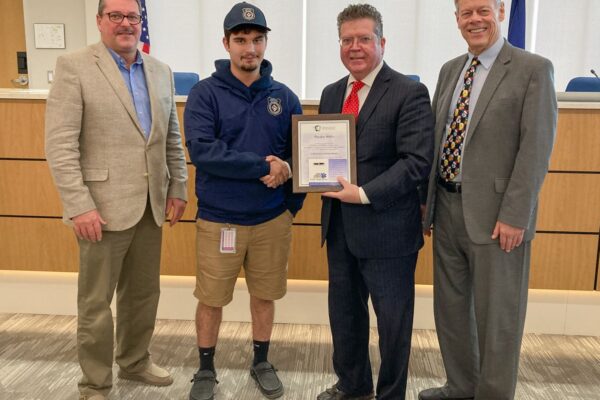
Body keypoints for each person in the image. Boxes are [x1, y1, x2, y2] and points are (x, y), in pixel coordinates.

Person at [44, 0, 188, 399]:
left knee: (143, 293)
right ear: (100, 21)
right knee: (95, 302)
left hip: (151, 204)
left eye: (132, 17)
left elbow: (171, 137)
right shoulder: (75, 67)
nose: (125, 24)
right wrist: (79, 204)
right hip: (100, 209)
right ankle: (94, 381)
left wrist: (178, 187)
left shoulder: (160, 71)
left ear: (141, 23)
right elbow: (60, 145)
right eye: (116, 16)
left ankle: (135, 360)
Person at [419, 1, 557, 399]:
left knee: (499, 318)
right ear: (457, 19)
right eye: (466, 13)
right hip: (446, 209)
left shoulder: (533, 69)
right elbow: (437, 139)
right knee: (452, 310)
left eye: (483, 9)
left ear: (500, 11)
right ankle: (461, 386)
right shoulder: (450, 70)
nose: (474, 19)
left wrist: (517, 214)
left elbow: (536, 149)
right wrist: (427, 202)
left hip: (499, 218)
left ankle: (494, 394)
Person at [183, 3, 305, 400]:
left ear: (265, 42)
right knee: (211, 298)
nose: (249, 48)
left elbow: (297, 159)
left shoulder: (284, 97)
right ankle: (205, 368)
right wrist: (261, 165)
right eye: (240, 40)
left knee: (264, 295)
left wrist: (290, 207)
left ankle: (261, 361)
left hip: (271, 219)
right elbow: (204, 151)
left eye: (256, 39)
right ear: (226, 43)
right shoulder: (205, 93)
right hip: (222, 220)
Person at [317, 4, 434, 400]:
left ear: (381, 42)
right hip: (339, 228)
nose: (355, 47)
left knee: (392, 325)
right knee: (345, 318)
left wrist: (364, 194)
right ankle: (353, 387)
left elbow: (416, 163)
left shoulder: (409, 91)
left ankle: (390, 394)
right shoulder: (332, 93)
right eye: (347, 40)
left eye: (364, 39)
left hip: (388, 232)